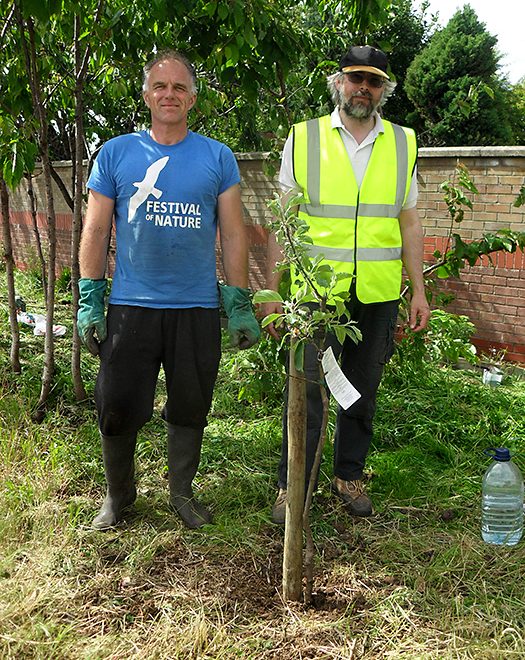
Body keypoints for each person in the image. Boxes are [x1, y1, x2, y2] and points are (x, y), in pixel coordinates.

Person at [77, 50, 260, 531]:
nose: (169, 95)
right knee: (115, 405)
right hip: (130, 308)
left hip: (196, 308)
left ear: (193, 98)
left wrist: (238, 302)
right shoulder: (116, 153)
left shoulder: (217, 157)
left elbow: (234, 233)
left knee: (190, 406)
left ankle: (182, 494)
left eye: (180, 87)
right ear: (146, 95)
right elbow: (95, 231)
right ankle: (119, 498)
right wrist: (90, 299)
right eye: (161, 86)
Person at [262, 45, 430, 523]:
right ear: (339, 83)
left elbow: (410, 221)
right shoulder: (305, 136)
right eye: (355, 77)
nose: (363, 87)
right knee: (306, 386)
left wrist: (417, 290)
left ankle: (348, 474)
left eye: (374, 81)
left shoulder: (403, 142)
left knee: (362, 387)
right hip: (316, 292)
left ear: (383, 91)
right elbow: (285, 222)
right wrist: (275, 292)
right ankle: (292, 483)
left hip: (376, 291)